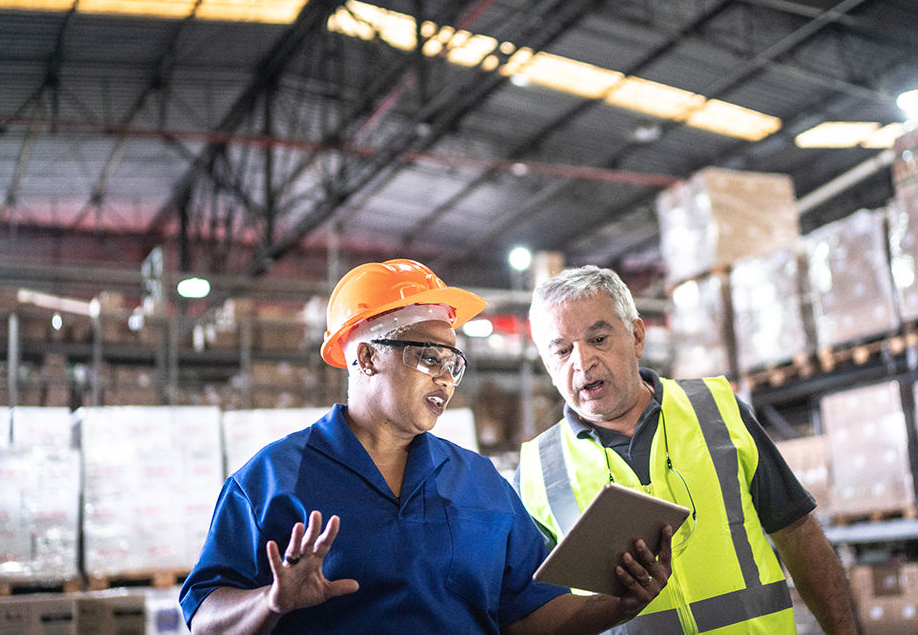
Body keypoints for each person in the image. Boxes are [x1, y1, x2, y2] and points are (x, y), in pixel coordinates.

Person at [179, 259, 676, 634]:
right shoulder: (270, 481)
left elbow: (529, 613)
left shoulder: (480, 483)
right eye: (428, 357)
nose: (445, 377)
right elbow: (203, 617)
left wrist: (620, 606)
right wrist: (272, 600)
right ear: (367, 358)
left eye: (453, 362)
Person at [515, 265, 858, 634]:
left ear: (636, 336)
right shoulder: (537, 469)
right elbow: (534, 611)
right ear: (547, 365)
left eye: (598, 340)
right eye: (563, 350)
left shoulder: (717, 410)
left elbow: (797, 532)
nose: (582, 363)